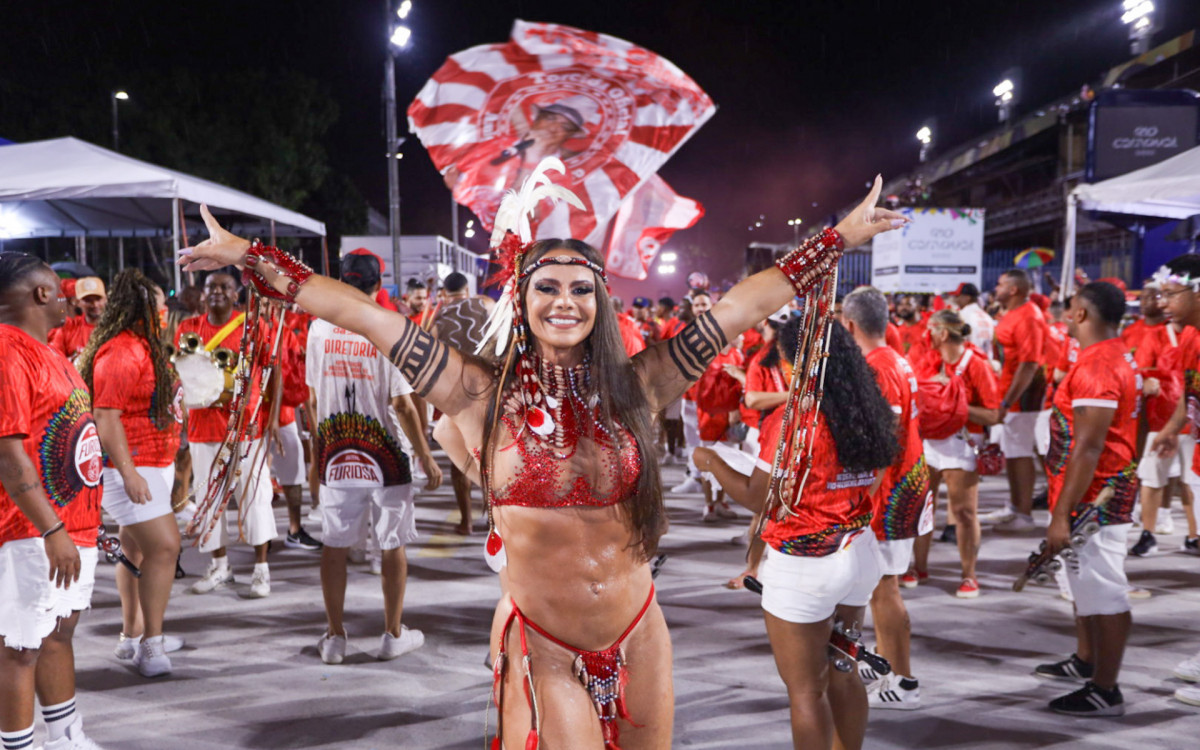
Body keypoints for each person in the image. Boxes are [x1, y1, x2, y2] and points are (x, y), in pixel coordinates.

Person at [179, 169, 903, 748]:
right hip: (546, 645)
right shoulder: (475, 392)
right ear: (520, 298)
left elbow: (741, 308)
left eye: (582, 288)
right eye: (547, 287)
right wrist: (251, 257)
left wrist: (837, 238)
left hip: (640, 632)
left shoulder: (641, 384)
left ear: (602, 301)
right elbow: (362, 314)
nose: (565, 301)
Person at [693, 318, 899, 750]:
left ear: (795, 363)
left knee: (807, 690)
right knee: (843, 669)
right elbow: (877, 475)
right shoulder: (866, 407)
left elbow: (758, 498)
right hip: (859, 549)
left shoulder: (794, 421)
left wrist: (710, 461)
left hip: (804, 563)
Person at [307, 250, 442, 664]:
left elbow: (313, 398)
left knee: (334, 544)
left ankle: (334, 638)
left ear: (342, 281)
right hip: (387, 455)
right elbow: (402, 404)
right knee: (392, 543)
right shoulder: (389, 327)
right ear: (378, 285)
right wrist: (426, 455)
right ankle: (392, 634)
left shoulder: (319, 328)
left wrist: (317, 454)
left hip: (336, 451)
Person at [0, 252, 106, 750]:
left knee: (57, 634)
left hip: (70, 525)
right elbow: (8, 453)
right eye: (60, 287)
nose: (68, 296)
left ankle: (65, 738)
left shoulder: (51, 353)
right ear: (41, 293)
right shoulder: (7, 349)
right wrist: (52, 528)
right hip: (33, 530)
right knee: (20, 646)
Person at [1035, 282, 1140, 717]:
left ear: (1080, 314)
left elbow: (1089, 447)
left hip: (1096, 499)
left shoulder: (1098, 364)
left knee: (1105, 591)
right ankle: (1088, 661)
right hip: (1094, 491)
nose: (1065, 316)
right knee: (1087, 585)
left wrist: (1061, 514)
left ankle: (1105, 690)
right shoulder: (1115, 354)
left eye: (1071, 309)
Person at [75, 269, 185, 678]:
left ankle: (132, 635)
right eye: (159, 304)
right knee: (165, 548)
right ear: (140, 307)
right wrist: (129, 473)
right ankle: (152, 645)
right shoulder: (122, 349)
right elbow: (106, 416)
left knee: (134, 550)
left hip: (150, 462)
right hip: (132, 466)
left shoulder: (141, 344)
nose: (165, 311)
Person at [841, 286, 931, 710]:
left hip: (891, 493)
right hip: (900, 485)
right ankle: (887, 663)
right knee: (878, 586)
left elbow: (884, 442)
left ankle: (904, 679)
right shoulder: (895, 358)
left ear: (849, 325)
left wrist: (863, 498)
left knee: (884, 587)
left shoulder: (879, 367)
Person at [177, 272, 278, 597]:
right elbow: (184, 376)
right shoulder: (188, 329)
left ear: (236, 295)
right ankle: (220, 566)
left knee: (255, 498)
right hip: (203, 429)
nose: (217, 291)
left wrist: (273, 419)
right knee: (209, 500)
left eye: (225, 287)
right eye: (211, 287)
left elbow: (272, 372)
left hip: (245, 429)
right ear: (202, 294)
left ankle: (261, 570)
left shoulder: (254, 327)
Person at [912, 309, 1000, 597]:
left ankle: (969, 575)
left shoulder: (977, 364)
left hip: (961, 442)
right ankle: (919, 567)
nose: (926, 335)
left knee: (963, 512)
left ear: (942, 333)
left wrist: (954, 404)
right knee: (923, 507)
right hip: (929, 442)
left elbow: (993, 414)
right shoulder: (928, 360)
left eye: (930, 329)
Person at [430, 271, 495, 535]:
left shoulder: (439, 319)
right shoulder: (485, 305)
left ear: (445, 294)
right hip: (490, 392)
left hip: (456, 398)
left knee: (461, 459)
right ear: (467, 290)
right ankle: (494, 521)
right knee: (494, 459)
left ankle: (466, 522)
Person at [989, 269, 1049, 531]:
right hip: (1008, 394)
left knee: (1021, 453)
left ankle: (1024, 515)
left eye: (1000, 284)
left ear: (1013, 289)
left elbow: (1029, 364)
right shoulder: (1012, 313)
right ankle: (1015, 506)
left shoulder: (1029, 316)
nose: (996, 288)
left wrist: (1007, 401)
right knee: (1012, 452)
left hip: (1023, 398)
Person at [672, 289, 715, 495]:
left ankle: (713, 483)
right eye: (697, 305)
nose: (700, 309)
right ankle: (695, 476)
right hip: (689, 392)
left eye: (704, 304)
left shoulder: (721, 328)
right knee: (691, 438)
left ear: (711, 306)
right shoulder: (684, 329)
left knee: (710, 439)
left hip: (712, 395)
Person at [48, 276, 106, 361]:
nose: (95, 304)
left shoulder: (116, 328)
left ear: (106, 299)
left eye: (98, 299)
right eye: (88, 300)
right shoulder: (67, 328)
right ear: (78, 302)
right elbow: (54, 359)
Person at [951, 282, 994, 360]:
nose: (956, 300)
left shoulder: (962, 315)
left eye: (958, 296)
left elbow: (958, 346)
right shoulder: (987, 317)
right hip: (987, 362)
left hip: (971, 362)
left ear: (967, 297)